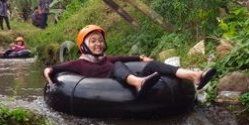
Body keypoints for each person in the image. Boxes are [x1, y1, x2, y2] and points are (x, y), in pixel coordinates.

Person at [43, 25, 216, 97]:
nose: (98, 44)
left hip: (122, 78)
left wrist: (141, 58)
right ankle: (138, 83)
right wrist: (48, 71)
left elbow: (125, 57)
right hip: (107, 91)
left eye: (100, 40)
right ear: (84, 46)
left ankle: (193, 76)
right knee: (117, 66)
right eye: (93, 41)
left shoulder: (107, 59)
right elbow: (55, 68)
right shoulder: (78, 64)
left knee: (152, 64)